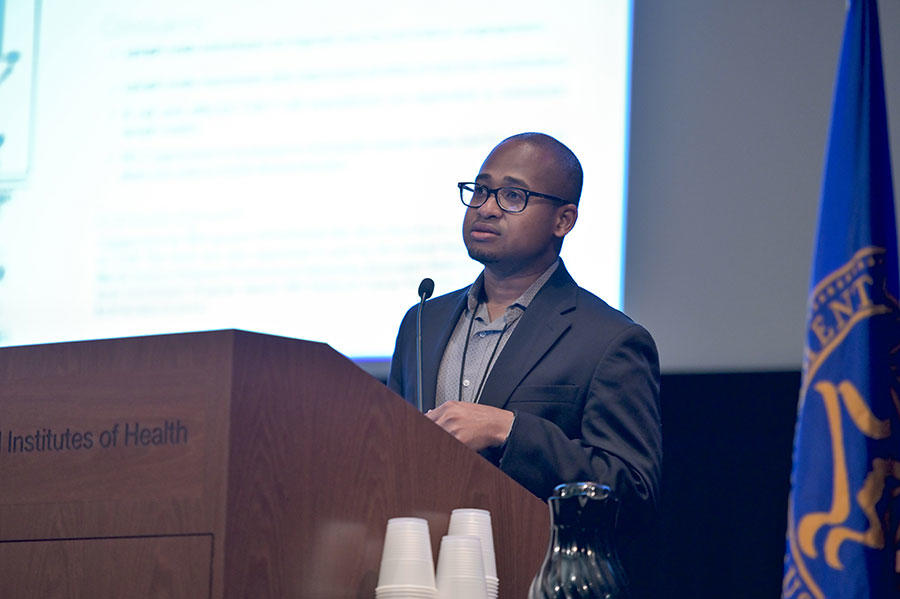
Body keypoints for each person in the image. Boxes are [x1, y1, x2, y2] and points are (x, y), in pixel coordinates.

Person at [387, 132, 661, 595]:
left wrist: (509, 431)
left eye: (513, 196)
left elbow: (632, 490)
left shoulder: (609, 340)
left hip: (532, 579)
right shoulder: (423, 320)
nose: (487, 207)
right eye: (480, 190)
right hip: (418, 577)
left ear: (564, 219)